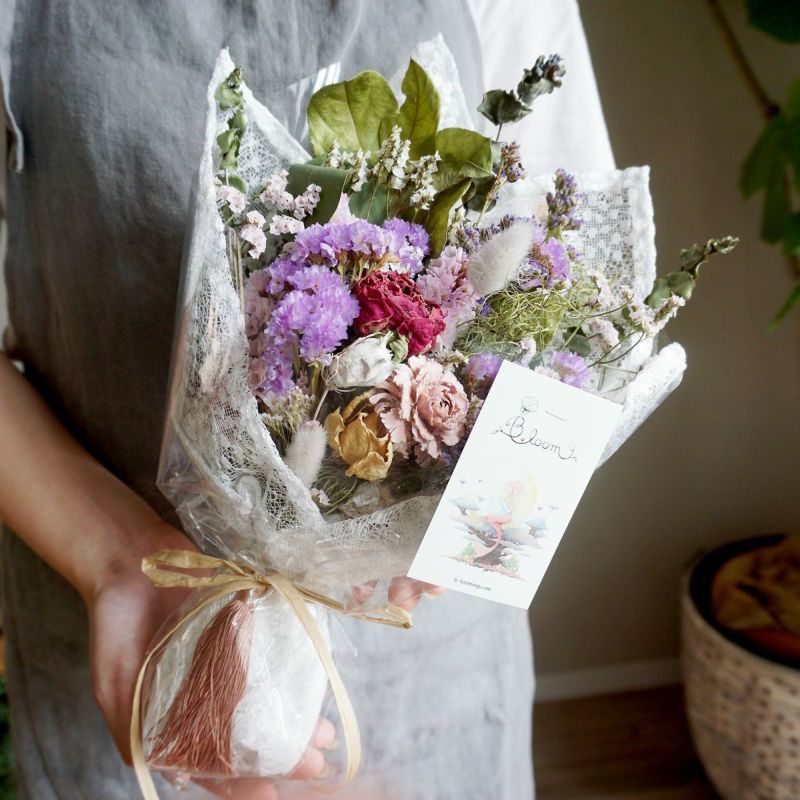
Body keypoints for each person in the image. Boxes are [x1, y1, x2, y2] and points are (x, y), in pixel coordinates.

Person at [0, 2, 613, 798]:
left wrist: (484, 535)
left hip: (430, 662)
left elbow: (577, 297)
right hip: (128, 626)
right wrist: (118, 562)